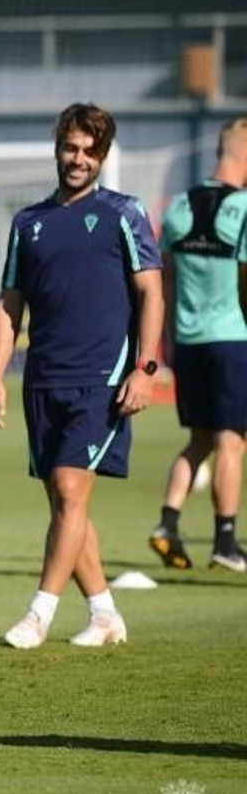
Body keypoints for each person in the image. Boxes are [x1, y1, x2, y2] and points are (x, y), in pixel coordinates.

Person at [0, 103, 163, 649]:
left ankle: (38, 613)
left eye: (89, 151)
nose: (78, 159)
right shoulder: (28, 223)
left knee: (68, 487)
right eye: (70, 148)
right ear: (57, 148)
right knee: (67, 504)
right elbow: (8, 305)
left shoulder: (123, 214)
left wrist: (146, 368)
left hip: (102, 380)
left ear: (103, 157)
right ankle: (105, 612)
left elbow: (152, 291)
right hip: (43, 380)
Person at [147, 118, 247, 573]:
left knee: (199, 440)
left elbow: (163, 279)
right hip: (231, 338)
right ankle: (225, 539)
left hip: (186, 342)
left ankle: (167, 523)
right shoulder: (244, 208)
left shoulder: (177, 207)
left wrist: (167, 339)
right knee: (232, 441)